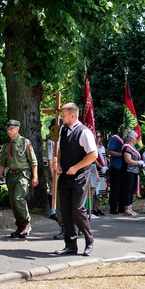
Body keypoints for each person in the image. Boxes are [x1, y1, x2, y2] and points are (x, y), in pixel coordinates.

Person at [51, 103, 98, 255]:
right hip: (64, 174)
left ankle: (89, 240)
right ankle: (70, 245)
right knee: (65, 210)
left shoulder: (84, 132)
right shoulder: (62, 131)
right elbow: (58, 150)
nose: (61, 118)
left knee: (77, 209)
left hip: (80, 175)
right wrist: (56, 162)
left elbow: (93, 155)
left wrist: (76, 167)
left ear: (73, 115)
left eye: (63, 115)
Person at [0, 120, 39, 239]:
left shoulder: (25, 143)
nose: (9, 131)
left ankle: (26, 222)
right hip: (11, 175)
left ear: (17, 129)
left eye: (11, 129)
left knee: (18, 198)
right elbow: (2, 163)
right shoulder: (6, 145)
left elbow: (33, 161)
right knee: (13, 202)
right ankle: (20, 226)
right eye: (8, 129)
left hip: (23, 174)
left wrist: (35, 176)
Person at [121, 130, 145, 216]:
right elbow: (128, 160)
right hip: (128, 172)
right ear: (131, 139)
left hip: (134, 172)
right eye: (135, 138)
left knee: (131, 190)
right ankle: (127, 208)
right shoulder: (127, 147)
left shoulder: (133, 148)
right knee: (128, 190)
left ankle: (130, 208)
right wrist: (138, 162)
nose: (136, 140)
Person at [106, 125, 125, 214]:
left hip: (124, 167)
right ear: (121, 130)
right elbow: (109, 151)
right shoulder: (115, 138)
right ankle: (113, 208)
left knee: (123, 187)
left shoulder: (126, 140)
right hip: (116, 166)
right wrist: (121, 154)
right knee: (115, 188)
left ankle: (122, 207)